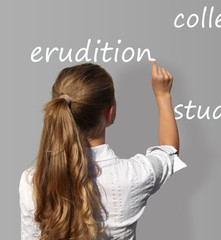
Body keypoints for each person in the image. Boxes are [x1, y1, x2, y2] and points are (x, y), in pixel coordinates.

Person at [19, 61, 187, 240]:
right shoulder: (133, 176)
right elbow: (169, 151)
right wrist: (163, 95)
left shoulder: (32, 181)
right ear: (110, 113)